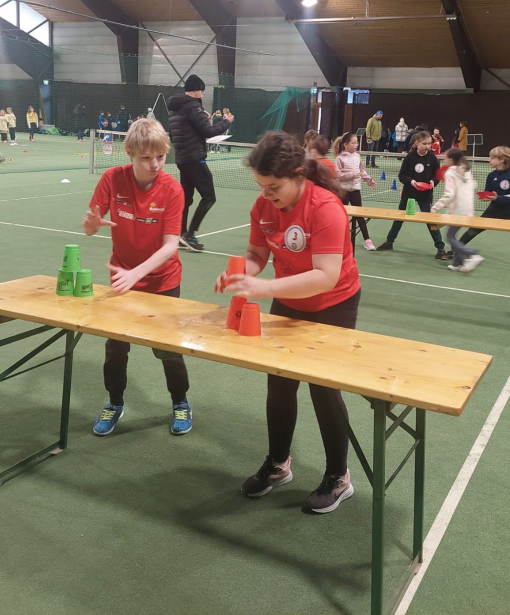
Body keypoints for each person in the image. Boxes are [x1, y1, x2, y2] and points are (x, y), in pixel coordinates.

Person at [216, 131, 361, 514]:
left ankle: (339, 477)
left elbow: (325, 276)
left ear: (298, 175)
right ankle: (278, 465)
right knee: (279, 383)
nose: (267, 195)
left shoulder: (325, 207)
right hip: (289, 298)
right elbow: (256, 252)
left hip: (334, 303)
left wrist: (263, 287)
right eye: (261, 187)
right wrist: (241, 273)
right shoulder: (263, 206)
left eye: (274, 187)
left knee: (323, 389)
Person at [82, 118, 193, 437]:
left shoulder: (172, 189)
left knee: (167, 348)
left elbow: (170, 246)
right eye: (146, 158)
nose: (155, 164)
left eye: (160, 156)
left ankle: (180, 401)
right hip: (123, 279)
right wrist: (91, 225)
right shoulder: (112, 179)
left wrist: (136, 274)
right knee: (116, 347)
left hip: (163, 281)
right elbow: (89, 228)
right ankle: (114, 402)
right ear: (129, 152)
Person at [168, 74, 233, 252]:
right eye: (202, 92)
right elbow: (208, 131)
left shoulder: (175, 109)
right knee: (209, 197)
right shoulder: (194, 107)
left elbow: (177, 134)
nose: (202, 95)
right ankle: (189, 235)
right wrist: (226, 122)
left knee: (186, 199)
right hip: (194, 159)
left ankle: (180, 234)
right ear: (196, 91)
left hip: (182, 159)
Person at [375, 131, 450, 259]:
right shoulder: (410, 157)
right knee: (399, 218)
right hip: (409, 193)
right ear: (417, 143)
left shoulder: (432, 158)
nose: (427, 146)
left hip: (425, 195)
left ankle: (440, 249)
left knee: (430, 221)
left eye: (429, 144)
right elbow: (402, 175)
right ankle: (389, 242)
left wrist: (434, 181)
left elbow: (437, 176)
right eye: (424, 144)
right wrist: (411, 181)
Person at [458, 145, 510, 261]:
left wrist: (496, 198)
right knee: (472, 231)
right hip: (493, 211)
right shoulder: (491, 175)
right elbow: (488, 191)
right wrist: (485, 196)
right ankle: (454, 251)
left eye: (492, 158)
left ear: (501, 159)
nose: (489, 160)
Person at [432, 148, 482, 272]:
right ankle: (458, 262)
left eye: (446, 158)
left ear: (451, 160)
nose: (444, 160)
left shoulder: (450, 172)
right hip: (468, 209)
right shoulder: (466, 170)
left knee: (450, 236)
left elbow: (449, 194)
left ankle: (472, 254)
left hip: (457, 210)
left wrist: (435, 207)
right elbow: (473, 185)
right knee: (453, 235)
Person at [333, 131, 377, 250]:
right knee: (341, 216)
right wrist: (352, 175)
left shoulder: (357, 156)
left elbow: (362, 170)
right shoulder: (339, 159)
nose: (356, 145)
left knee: (360, 216)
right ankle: (338, 239)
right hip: (343, 191)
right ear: (345, 144)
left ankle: (367, 240)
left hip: (355, 191)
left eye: (356, 143)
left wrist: (368, 180)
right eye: (353, 143)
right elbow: (338, 175)